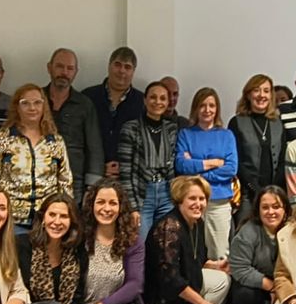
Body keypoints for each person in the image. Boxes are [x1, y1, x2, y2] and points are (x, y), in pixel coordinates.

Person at [145, 176, 231, 304]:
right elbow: (170, 279)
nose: (198, 203)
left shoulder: (196, 222)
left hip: (180, 288)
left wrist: (213, 266)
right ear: (179, 200)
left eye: (202, 199)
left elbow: (193, 261)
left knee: (222, 279)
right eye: (192, 198)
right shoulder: (169, 228)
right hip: (160, 298)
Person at [79, 180, 147, 304]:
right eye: (100, 202)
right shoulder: (81, 237)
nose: (106, 208)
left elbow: (136, 284)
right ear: (92, 205)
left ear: (121, 208)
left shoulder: (132, 240)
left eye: (113, 203)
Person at [0, 83, 72, 233]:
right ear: (16, 107)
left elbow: (65, 182)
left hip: (48, 220)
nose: (32, 108)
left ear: (44, 107)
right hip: (11, 220)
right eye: (25, 103)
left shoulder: (55, 142)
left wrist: (63, 213)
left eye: (37, 102)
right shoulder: (1, 140)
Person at [175, 87, 238, 255]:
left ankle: (219, 282)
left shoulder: (227, 135)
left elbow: (231, 169)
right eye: (202, 105)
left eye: (211, 105)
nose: (207, 110)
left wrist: (196, 171)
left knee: (218, 252)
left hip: (219, 202)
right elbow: (181, 166)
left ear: (217, 109)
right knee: (191, 251)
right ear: (195, 108)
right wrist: (213, 163)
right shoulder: (185, 134)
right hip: (191, 200)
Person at [118, 79, 181, 238]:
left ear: (167, 103)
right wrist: (132, 207)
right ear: (145, 100)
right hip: (142, 194)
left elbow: (172, 166)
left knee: (165, 244)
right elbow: (125, 171)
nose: (157, 102)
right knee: (142, 242)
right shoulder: (130, 128)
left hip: (166, 194)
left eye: (162, 98)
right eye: (153, 97)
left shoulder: (171, 129)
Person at [229, 185, 289, 304]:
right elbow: (240, 269)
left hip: (285, 281)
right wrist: (270, 286)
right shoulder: (247, 232)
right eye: (265, 207)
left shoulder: (293, 230)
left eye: (276, 207)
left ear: (285, 210)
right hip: (254, 283)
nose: (271, 212)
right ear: (258, 210)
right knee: (246, 294)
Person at [44, 47, 104, 199]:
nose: (64, 72)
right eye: (60, 66)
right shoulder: (36, 100)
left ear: (76, 72)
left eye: (70, 68)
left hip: (74, 183)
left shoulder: (84, 104)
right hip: (39, 179)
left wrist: (91, 189)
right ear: (49, 68)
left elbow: (94, 148)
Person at [230, 73, 286, 222]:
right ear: (248, 95)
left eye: (266, 91)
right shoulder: (237, 122)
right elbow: (237, 161)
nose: (262, 95)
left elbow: (282, 158)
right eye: (257, 90)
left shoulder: (278, 122)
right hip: (248, 194)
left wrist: (273, 190)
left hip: (275, 192)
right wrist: (256, 189)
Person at [83, 46, 143, 180]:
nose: (122, 71)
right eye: (117, 65)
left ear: (133, 71)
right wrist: (99, 166)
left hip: (129, 178)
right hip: (92, 176)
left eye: (127, 67)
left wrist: (124, 166)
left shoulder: (142, 103)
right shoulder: (88, 97)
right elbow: (80, 140)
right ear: (109, 66)